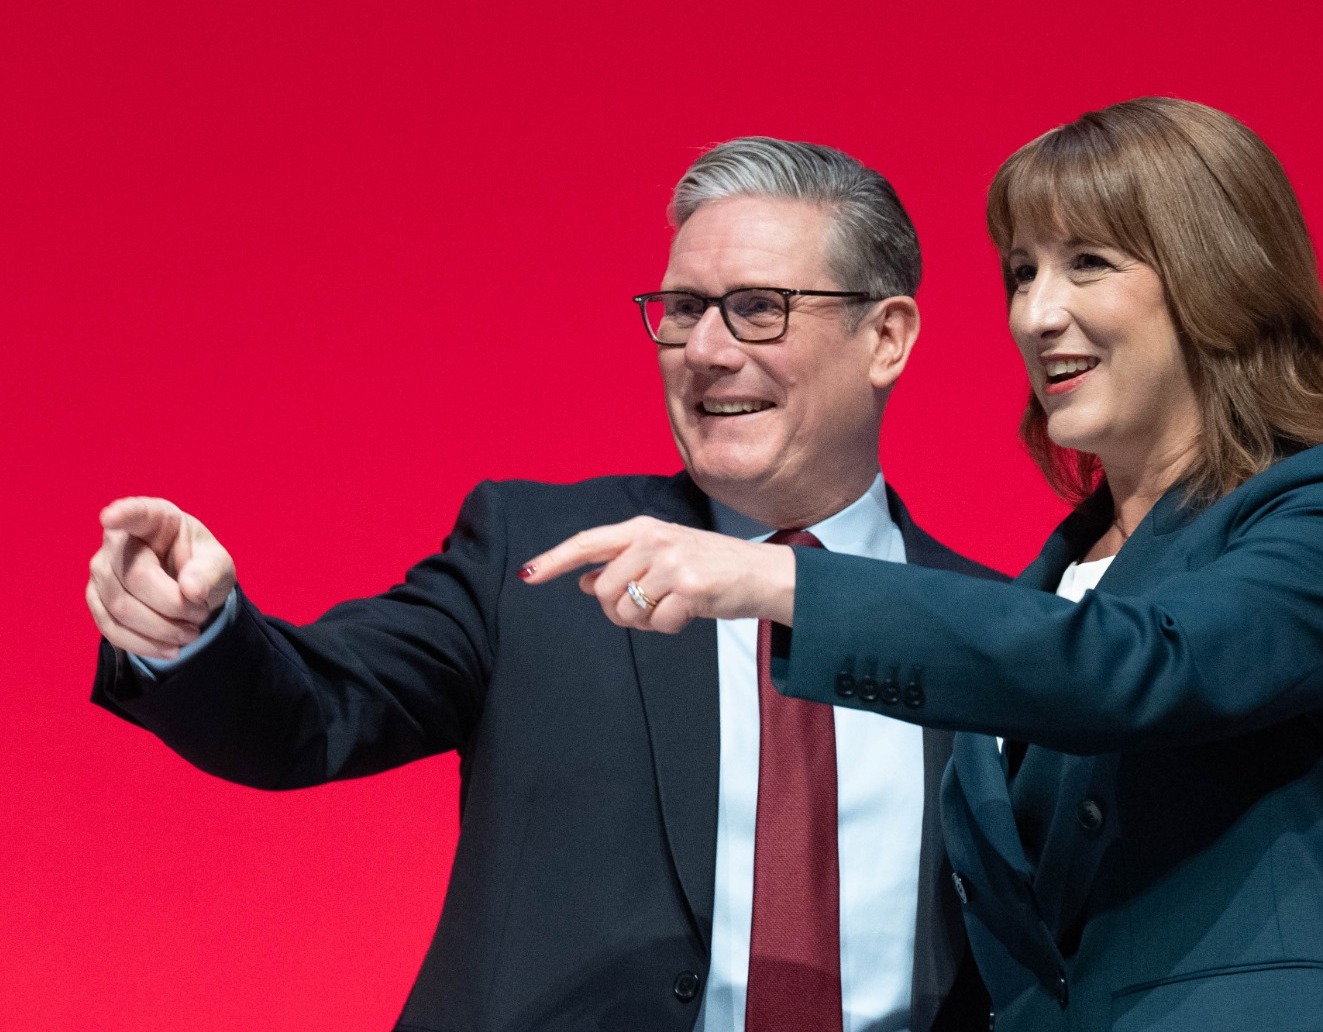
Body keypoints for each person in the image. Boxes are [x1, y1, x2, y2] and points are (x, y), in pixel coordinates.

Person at [526, 98, 1323, 1032]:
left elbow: (1145, 663)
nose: (1037, 314)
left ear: (1221, 276)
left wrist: (773, 577)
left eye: (1088, 263)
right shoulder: (1044, 589)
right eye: (1022, 273)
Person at [85, 137, 998, 1032]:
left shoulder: (999, 631)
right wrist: (194, 632)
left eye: (759, 308)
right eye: (684, 308)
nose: (706, 349)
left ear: (885, 338)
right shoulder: (539, 556)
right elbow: (309, 712)